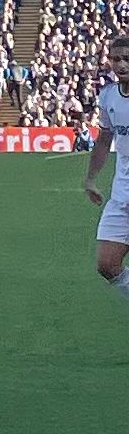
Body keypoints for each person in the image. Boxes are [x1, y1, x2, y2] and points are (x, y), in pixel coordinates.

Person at [82, 33, 129, 295]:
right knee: (107, 265)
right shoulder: (109, 96)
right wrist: (90, 179)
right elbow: (104, 140)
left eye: (126, 59)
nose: (121, 65)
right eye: (115, 59)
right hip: (121, 193)